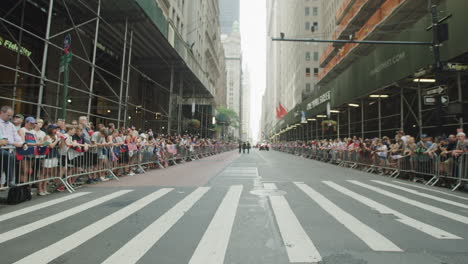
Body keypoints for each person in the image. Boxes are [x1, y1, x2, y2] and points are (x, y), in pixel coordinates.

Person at [0, 106, 24, 187]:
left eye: (11, 116)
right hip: (2, 148)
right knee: (10, 157)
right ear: (1, 113)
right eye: (8, 115)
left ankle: (9, 180)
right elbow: (3, 139)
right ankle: (10, 180)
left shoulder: (11, 125)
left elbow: (16, 136)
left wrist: (22, 143)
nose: (10, 117)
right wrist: (14, 143)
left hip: (8, 149)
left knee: (8, 161)